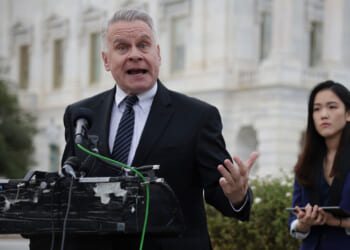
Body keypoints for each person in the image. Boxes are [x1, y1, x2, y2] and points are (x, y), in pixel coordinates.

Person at [30, 9, 258, 250]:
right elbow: (69, 188)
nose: (135, 55)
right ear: (106, 60)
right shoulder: (80, 115)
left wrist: (237, 196)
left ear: (158, 54)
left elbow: (220, 191)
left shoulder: (199, 117)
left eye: (143, 45)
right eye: (122, 48)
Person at [288, 80, 350, 249]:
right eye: (317, 109)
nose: (323, 115)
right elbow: (293, 221)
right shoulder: (306, 162)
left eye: (332, 107)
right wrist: (303, 224)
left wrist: (338, 222)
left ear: (348, 114)